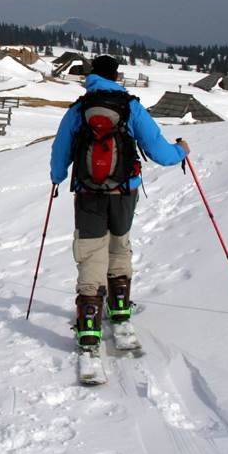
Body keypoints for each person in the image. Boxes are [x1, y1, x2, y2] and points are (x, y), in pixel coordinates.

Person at [49, 55, 190, 348]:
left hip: (88, 192)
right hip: (125, 191)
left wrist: (57, 177)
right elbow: (160, 152)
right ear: (116, 75)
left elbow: (61, 147)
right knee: (119, 243)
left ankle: (88, 322)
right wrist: (181, 151)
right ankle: (120, 305)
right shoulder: (131, 107)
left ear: (91, 75)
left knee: (90, 250)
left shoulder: (79, 109)